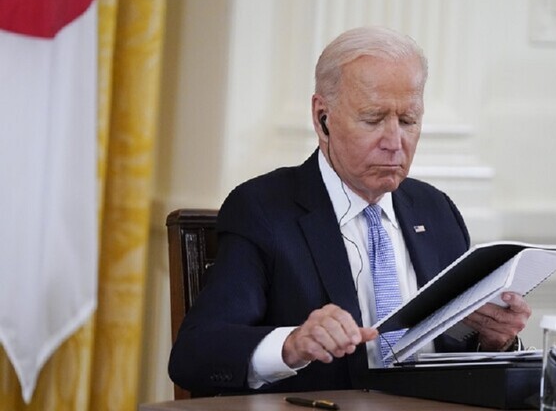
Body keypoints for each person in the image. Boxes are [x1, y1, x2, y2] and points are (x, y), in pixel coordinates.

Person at [168, 26, 531, 396]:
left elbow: (456, 355)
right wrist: (291, 344)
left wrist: (494, 341)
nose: (395, 142)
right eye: (373, 119)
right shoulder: (263, 209)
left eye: (408, 121)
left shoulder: (436, 211)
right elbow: (195, 354)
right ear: (322, 117)